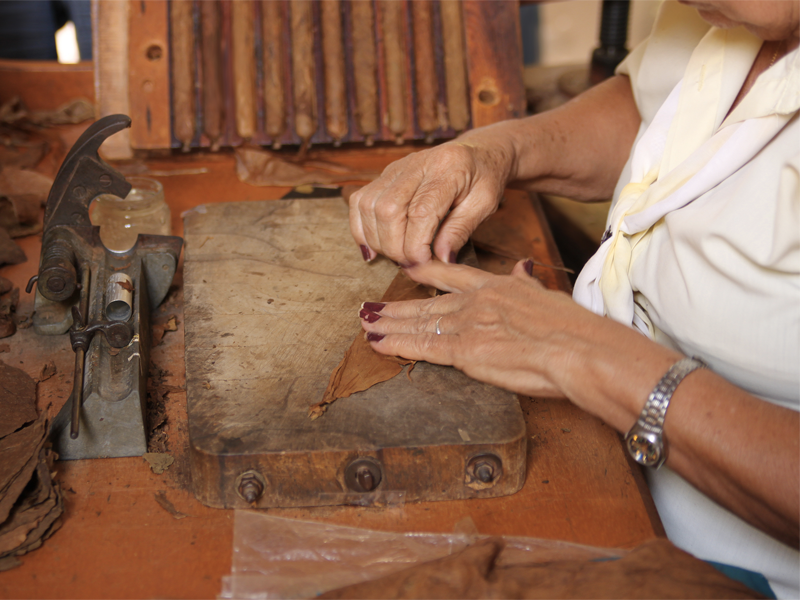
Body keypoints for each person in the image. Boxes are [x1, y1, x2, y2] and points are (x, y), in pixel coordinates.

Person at [349, 1, 799, 597]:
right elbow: (658, 113)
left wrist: (589, 355)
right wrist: (495, 151)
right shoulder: (739, 16)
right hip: (609, 475)